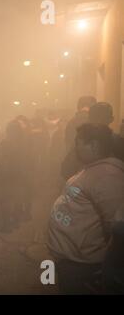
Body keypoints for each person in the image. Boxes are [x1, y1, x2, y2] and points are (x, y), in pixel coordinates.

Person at [47, 123, 124, 294]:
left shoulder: (108, 177)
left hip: (83, 267)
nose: (75, 147)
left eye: (78, 142)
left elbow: (116, 228)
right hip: (72, 261)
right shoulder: (95, 169)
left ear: (94, 145)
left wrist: (108, 269)